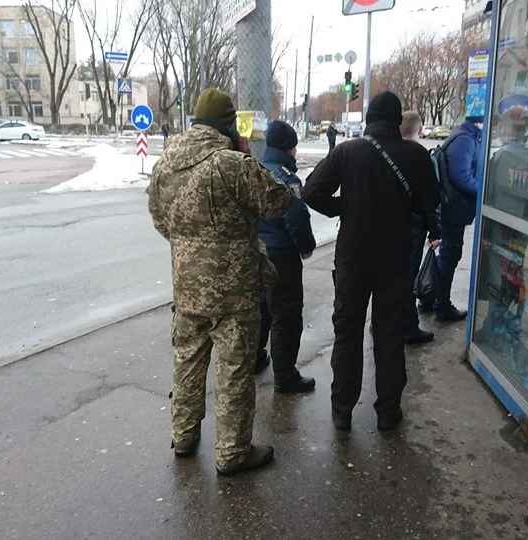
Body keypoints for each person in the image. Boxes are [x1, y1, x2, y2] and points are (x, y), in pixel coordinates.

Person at [147, 88, 292, 476]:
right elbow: (278, 201)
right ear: (229, 126)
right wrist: (246, 154)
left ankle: (183, 436)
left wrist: (191, 249)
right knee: (234, 372)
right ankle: (231, 452)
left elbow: (161, 220)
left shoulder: (165, 163)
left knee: (187, 364)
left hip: (187, 287)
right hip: (234, 291)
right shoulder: (230, 163)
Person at [302, 92, 439, 431]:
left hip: (352, 257)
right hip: (395, 257)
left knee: (347, 333)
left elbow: (311, 191)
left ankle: (342, 411)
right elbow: (431, 202)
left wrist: (344, 208)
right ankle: (388, 412)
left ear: (368, 119)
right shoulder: (416, 155)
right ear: (396, 120)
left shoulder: (348, 152)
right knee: (389, 334)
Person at [255, 120, 317, 393]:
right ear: (290, 149)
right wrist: (306, 246)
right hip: (281, 256)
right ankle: (285, 374)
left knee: (260, 310)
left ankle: (255, 358)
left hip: (254, 253)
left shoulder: (252, 171)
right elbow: (297, 217)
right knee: (287, 315)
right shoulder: (286, 179)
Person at [434, 114, 484, 323]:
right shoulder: (465, 139)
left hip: (452, 207)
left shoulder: (464, 136)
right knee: (450, 255)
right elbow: (461, 176)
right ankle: (441, 304)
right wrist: (483, 190)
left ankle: (432, 297)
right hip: (453, 208)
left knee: (448, 254)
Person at [399, 110, 439, 345]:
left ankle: (382, 321)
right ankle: (409, 327)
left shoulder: (383, 151)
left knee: (389, 277)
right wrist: (435, 230)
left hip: (388, 227)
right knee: (407, 278)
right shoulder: (421, 155)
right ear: (418, 129)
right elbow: (430, 199)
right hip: (413, 227)